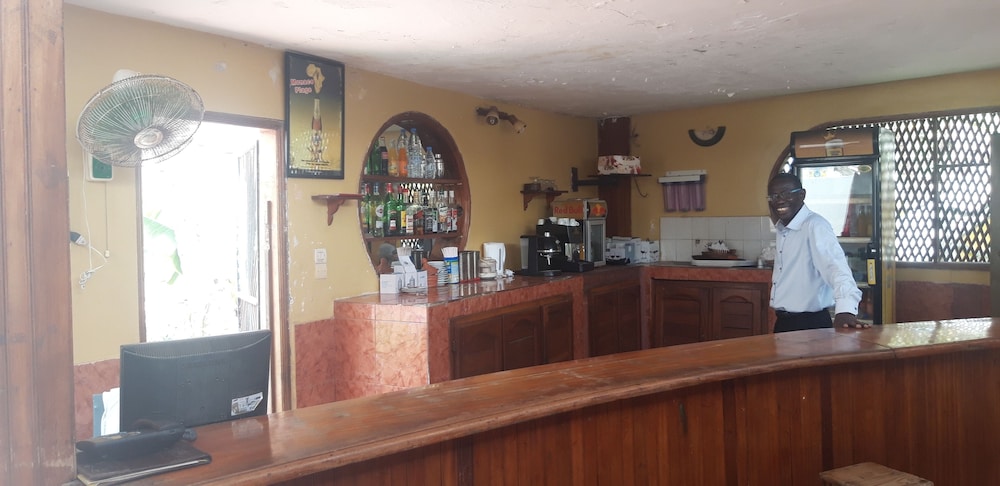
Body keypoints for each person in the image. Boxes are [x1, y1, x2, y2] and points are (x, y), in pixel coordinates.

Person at [767, 172, 869, 332]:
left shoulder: (815, 226)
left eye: (786, 194)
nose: (779, 200)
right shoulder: (784, 228)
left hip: (809, 323)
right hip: (784, 322)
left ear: (802, 195)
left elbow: (837, 269)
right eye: (774, 196)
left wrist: (846, 310)